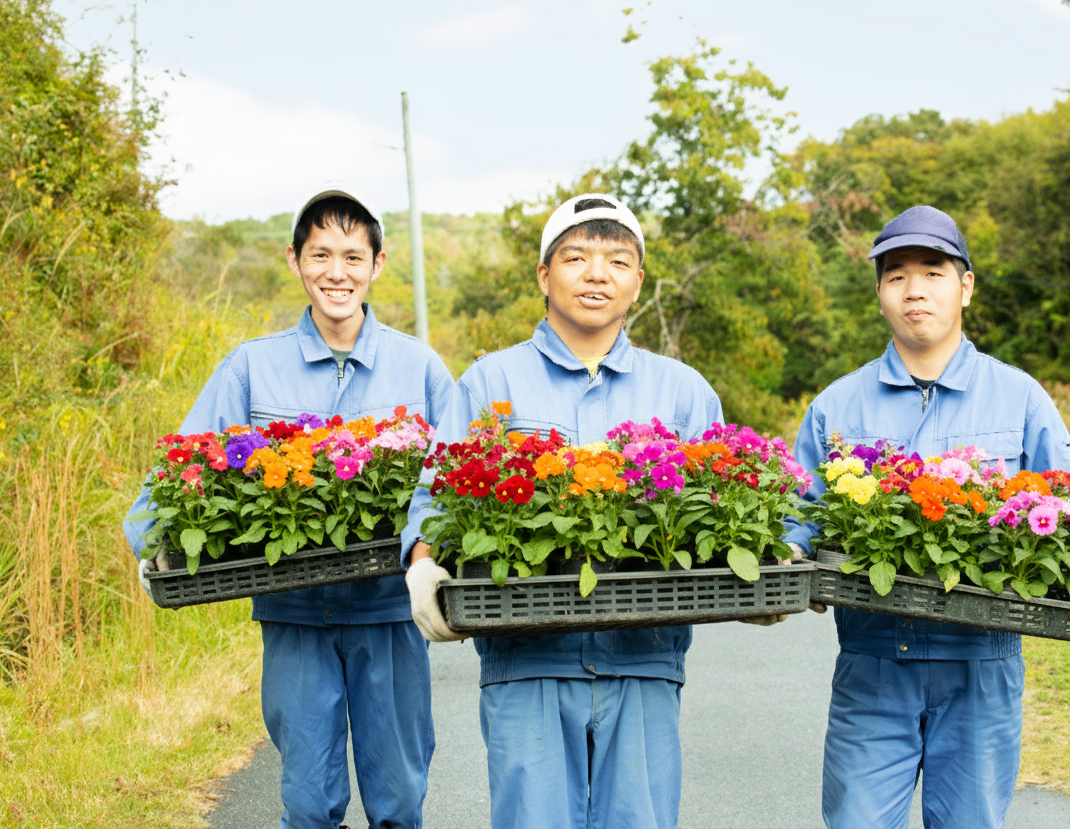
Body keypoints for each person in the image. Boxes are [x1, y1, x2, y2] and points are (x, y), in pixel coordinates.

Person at [784, 205, 1070, 829]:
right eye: (895, 275)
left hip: (982, 665)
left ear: (966, 286)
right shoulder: (836, 405)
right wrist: (785, 566)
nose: (914, 289)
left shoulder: (1018, 396)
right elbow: (799, 516)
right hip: (873, 666)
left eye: (933, 271)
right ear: (879, 294)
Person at [123, 186, 454, 829]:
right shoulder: (252, 367)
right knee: (307, 802)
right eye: (321, 254)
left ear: (378, 265)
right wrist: (151, 543)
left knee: (399, 801)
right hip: (295, 611)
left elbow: (453, 477)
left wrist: (430, 556)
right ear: (295, 260)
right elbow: (181, 466)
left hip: (388, 613)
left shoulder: (418, 367)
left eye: (353, 257)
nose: (337, 272)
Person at [402, 193, 724, 829]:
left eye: (616, 260)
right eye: (576, 257)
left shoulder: (683, 390)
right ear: (545, 276)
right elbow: (433, 496)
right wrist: (424, 563)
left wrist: (767, 565)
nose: (596, 274)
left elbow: (719, 502)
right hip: (525, 661)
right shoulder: (490, 383)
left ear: (638, 280)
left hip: (644, 657)